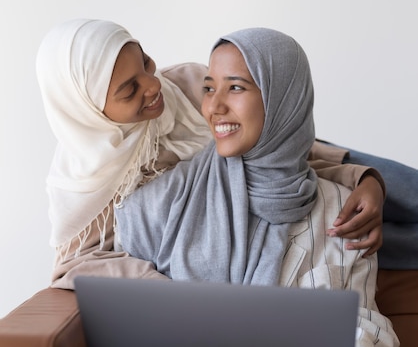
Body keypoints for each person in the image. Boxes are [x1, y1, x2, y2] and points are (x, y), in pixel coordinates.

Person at [66, 28, 418, 347]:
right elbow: (96, 268)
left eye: (236, 87)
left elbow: (361, 314)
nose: (214, 107)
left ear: (282, 97)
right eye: (209, 87)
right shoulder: (163, 200)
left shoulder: (341, 206)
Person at [37, 18, 388, 293]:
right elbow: (74, 265)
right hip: (199, 244)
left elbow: (276, 140)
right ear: (90, 112)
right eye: (130, 90)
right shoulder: (88, 179)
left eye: (145, 62)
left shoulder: (187, 87)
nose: (153, 84)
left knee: (390, 207)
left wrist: (361, 178)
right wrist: (165, 290)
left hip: (280, 185)